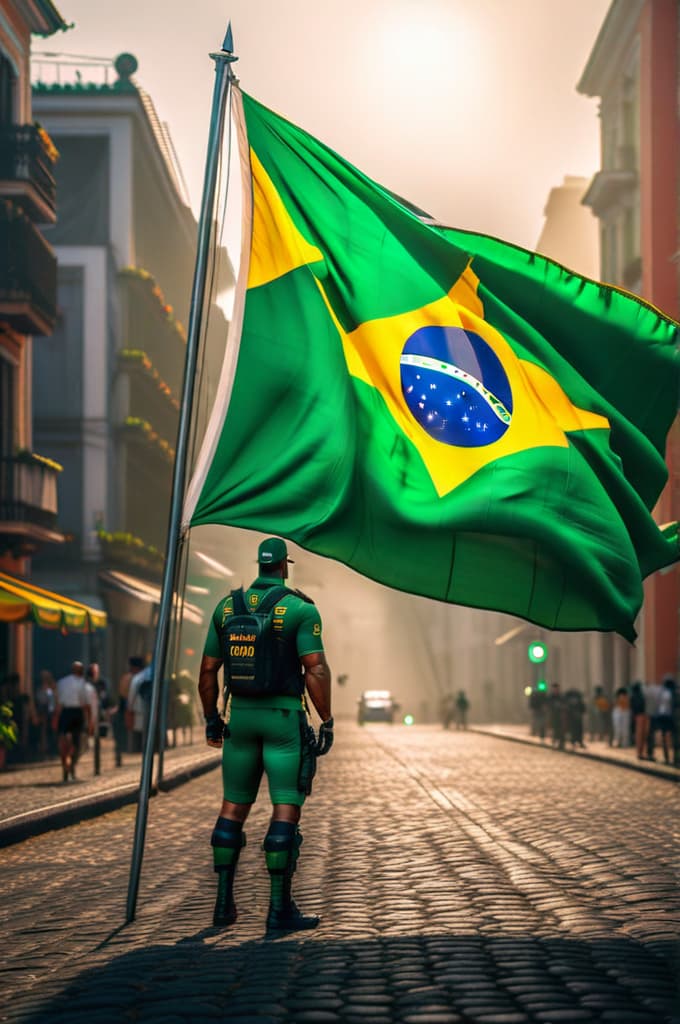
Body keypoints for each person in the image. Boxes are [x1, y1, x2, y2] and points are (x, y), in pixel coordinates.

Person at [198, 537, 333, 934]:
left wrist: (211, 720)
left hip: (240, 719)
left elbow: (207, 672)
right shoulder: (300, 609)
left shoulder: (226, 608)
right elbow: (316, 669)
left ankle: (223, 904)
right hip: (282, 720)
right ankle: (279, 910)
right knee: (285, 809)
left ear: (259, 565)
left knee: (232, 810)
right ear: (285, 567)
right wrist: (326, 718)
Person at [53, 661, 88, 782]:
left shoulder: (62, 682)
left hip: (65, 712)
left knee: (64, 742)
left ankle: (66, 768)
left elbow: (57, 702)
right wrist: (88, 720)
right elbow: (84, 702)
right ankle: (71, 767)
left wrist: (56, 717)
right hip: (76, 713)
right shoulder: (82, 682)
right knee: (76, 743)